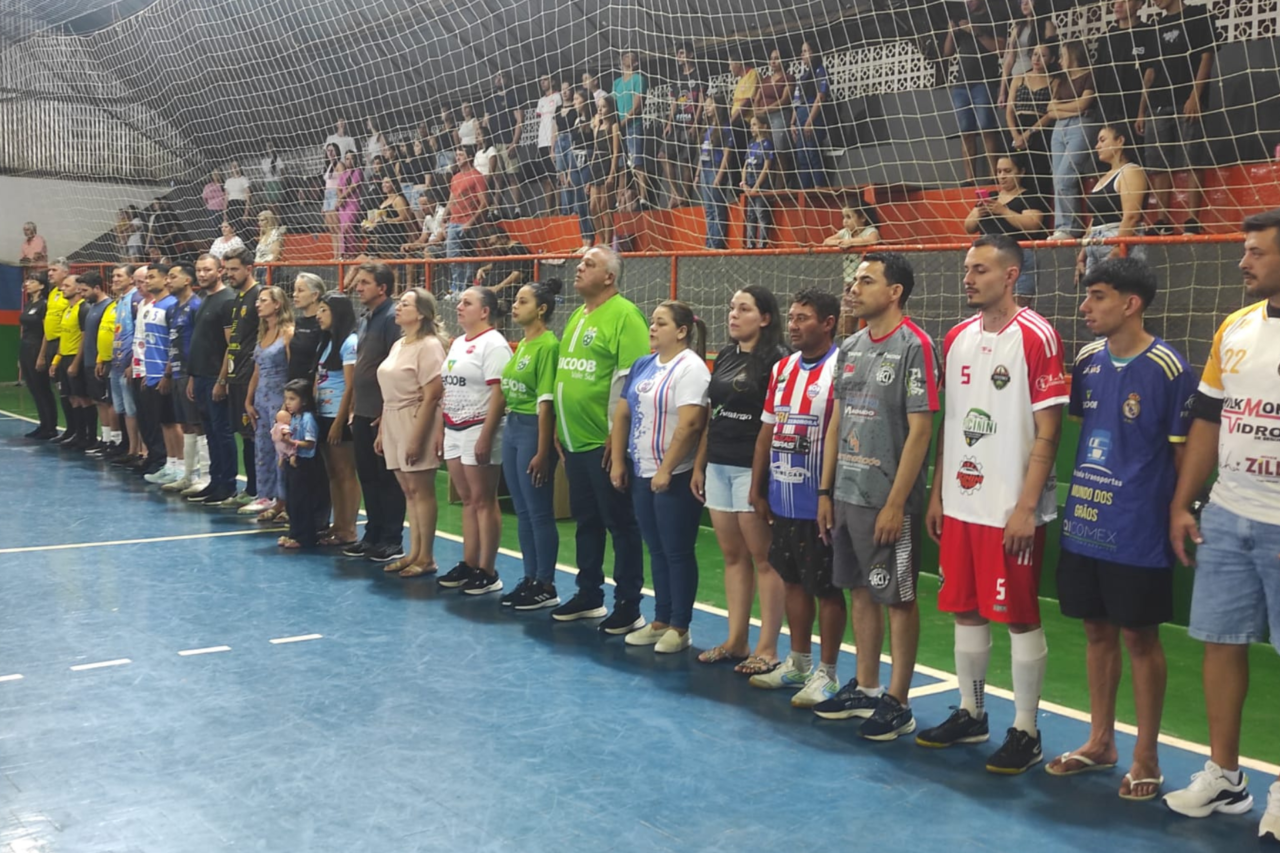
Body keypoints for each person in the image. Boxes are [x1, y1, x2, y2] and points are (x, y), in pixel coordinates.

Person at [1040, 257, 1193, 800]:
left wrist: (1176, 511)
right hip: (1086, 520)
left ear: (1131, 303)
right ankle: (1099, 741)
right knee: (1096, 630)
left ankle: (1145, 755)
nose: (1086, 307)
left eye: (1098, 296)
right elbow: (1091, 431)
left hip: (1139, 528)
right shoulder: (1087, 361)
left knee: (1139, 636)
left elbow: (1182, 456)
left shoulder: (1170, 368)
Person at [917, 233, 1067, 775]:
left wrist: (1027, 508)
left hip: (1009, 509)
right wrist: (937, 493)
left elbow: (1048, 432)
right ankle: (971, 711)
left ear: (1010, 275)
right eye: (966, 268)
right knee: (964, 607)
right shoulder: (956, 337)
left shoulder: (1037, 335)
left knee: (1020, 618)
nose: (968, 277)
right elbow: (949, 425)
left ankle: (1026, 729)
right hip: (960, 504)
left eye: (980, 269)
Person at [1164, 210, 1280, 835]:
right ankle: (1226, 776)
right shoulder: (1234, 327)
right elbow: (1208, 420)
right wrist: (1185, 502)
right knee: (1220, 643)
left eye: (1257, 252)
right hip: (1230, 513)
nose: (1243, 262)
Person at [814, 253, 941, 741]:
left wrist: (896, 503)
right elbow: (838, 422)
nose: (854, 288)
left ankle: (899, 701)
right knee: (860, 590)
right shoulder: (850, 347)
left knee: (898, 596)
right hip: (847, 492)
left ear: (895, 292)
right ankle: (866, 687)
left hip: (889, 500)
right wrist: (826, 490)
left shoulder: (917, 346)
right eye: (853, 280)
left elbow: (921, 430)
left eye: (866, 280)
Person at [745, 289, 844, 707]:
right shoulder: (783, 367)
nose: (794, 324)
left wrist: (827, 492)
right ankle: (799, 662)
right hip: (782, 495)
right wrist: (757, 484)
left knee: (826, 587)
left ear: (828, 323)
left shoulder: (841, 366)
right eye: (792, 317)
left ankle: (829, 672)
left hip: (818, 500)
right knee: (791, 578)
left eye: (804, 318)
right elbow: (768, 428)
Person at [550, 246, 650, 631]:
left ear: (609, 276)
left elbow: (631, 381)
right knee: (586, 521)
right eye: (579, 262)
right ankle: (589, 593)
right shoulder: (577, 314)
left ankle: (628, 603)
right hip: (575, 442)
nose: (578, 267)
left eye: (589, 264)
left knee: (620, 523)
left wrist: (616, 435)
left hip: (604, 443)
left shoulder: (626, 316)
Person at [691, 286, 788, 672]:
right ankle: (736, 641)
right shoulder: (728, 355)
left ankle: (768, 648)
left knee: (764, 559)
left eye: (743, 309)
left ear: (764, 318)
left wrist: (762, 480)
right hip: (720, 463)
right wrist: (701, 464)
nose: (733, 315)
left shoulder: (779, 360)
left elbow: (777, 423)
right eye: (732, 308)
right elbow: (714, 413)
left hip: (753, 469)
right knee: (733, 557)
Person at [611, 301, 711, 652]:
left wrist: (667, 469)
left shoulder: (692, 368)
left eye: (661, 323)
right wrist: (620, 462)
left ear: (682, 331)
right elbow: (623, 413)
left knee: (677, 550)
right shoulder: (643, 364)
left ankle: (681, 627)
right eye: (652, 322)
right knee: (655, 548)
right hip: (642, 471)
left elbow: (691, 423)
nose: (652, 328)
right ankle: (661, 618)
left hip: (675, 475)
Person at [435, 287, 511, 594]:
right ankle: (468, 563)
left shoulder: (494, 344)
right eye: (459, 301)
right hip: (453, 425)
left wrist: (486, 435)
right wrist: (441, 427)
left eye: (467, 303)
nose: (459, 306)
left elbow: (499, 393)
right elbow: (448, 387)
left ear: (485, 311)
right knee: (467, 499)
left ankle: (488, 570)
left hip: (478, 427)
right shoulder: (456, 343)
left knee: (483, 499)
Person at [371, 287, 446, 575]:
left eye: (405, 304)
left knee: (421, 489)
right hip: (393, 419)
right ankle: (414, 551)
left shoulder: (429, 346)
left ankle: (426, 556)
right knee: (408, 491)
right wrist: (382, 430)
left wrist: (417, 437)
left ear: (422, 313)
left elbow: (432, 394)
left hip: (416, 419)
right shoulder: (400, 344)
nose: (398, 308)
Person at [498, 280, 563, 609]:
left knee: (538, 511)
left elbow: (546, 402)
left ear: (541, 309)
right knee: (522, 511)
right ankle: (529, 577)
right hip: (512, 427)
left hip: (532, 430)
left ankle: (546, 584)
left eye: (522, 301)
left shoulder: (548, 346)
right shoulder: (523, 344)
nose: (515, 305)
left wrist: (541, 451)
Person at [344, 262, 407, 563]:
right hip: (364, 410)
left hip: (383, 412)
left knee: (387, 479)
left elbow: (396, 367)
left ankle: (392, 540)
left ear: (382, 288)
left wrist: (386, 411)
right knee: (367, 475)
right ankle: (372, 534)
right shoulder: (366, 317)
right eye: (358, 282)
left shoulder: (392, 319)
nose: (358, 287)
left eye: (365, 283)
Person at [1138, 0, 1218, 234]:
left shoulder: (1198, 14)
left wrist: (1195, 95)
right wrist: (1141, 109)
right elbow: (1150, 71)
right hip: (1159, 104)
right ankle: (1162, 221)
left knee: (1192, 158)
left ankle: (1193, 219)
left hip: (1187, 100)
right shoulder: (1155, 26)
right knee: (1158, 163)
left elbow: (1207, 56)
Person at [186, 254, 238, 505]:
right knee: (210, 432)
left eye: (207, 270)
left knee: (222, 431)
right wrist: (193, 377)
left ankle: (227, 484)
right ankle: (215, 480)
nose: (202, 274)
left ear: (220, 271)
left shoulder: (227, 301)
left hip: (215, 378)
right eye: (198, 270)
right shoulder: (205, 300)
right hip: (202, 376)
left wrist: (222, 380)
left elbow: (231, 346)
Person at [964, 153, 1046, 304]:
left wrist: (1003, 211)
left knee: (1017, 306)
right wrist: (978, 212)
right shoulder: (991, 197)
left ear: (1021, 172)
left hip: (1019, 255)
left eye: (1008, 171)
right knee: (988, 303)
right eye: (999, 171)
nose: (1002, 176)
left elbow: (1033, 225)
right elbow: (968, 227)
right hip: (987, 258)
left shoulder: (1030, 197)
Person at [243, 286, 294, 522]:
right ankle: (268, 496)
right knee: (262, 447)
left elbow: (293, 369)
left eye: (263, 300)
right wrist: (249, 398)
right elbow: (256, 369)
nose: (257, 304)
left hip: (279, 398)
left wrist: (288, 404)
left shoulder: (288, 333)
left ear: (277, 304)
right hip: (261, 397)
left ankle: (285, 501)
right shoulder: (263, 333)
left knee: (281, 450)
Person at [214, 248, 261, 508]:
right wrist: (223, 378)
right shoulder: (238, 299)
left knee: (254, 435)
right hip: (235, 376)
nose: (229, 274)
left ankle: (258, 490)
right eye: (227, 269)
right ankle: (251, 488)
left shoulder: (259, 297)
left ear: (248, 268)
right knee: (244, 435)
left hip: (250, 378)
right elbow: (232, 343)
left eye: (234, 269)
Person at [314, 292, 360, 547]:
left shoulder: (349, 342)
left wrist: (339, 421)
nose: (319, 315)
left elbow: (351, 386)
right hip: (323, 413)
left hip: (337, 416)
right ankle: (338, 524)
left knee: (345, 472)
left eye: (324, 310)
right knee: (333, 473)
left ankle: (349, 529)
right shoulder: (328, 341)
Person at [943, 0, 1005, 185]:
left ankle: (995, 176)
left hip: (984, 82)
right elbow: (947, 53)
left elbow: (1000, 49)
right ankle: (970, 179)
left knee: (987, 129)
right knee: (966, 132)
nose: (968, 2)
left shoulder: (995, 15)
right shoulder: (963, 17)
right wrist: (951, 32)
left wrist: (975, 31)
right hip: (962, 85)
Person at [1075, 124, 1148, 277]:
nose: (1097, 146)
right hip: (1094, 245)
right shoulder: (1104, 177)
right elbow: (1095, 219)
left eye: (1102, 140)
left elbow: (1132, 216)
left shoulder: (1131, 171)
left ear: (1120, 141)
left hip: (1116, 241)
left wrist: (1118, 247)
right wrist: (1083, 253)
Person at [159, 263, 207, 493]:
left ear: (187, 280)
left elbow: (200, 344)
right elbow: (173, 343)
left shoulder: (197, 306)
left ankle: (205, 476)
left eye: (172, 277)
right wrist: (168, 372)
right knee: (186, 424)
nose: (168, 281)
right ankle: (189, 474)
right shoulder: (172, 310)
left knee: (199, 424)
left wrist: (194, 375)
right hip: (177, 372)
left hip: (191, 373)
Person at [1047, 41, 1097, 240]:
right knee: (1057, 177)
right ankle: (1063, 226)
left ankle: (1069, 227)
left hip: (1082, 124)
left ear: (1073, 55)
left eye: (1063, 55)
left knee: (1066, 176)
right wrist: (1073, 107)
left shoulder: (1089, 75)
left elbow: (1085, 103)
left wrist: (1065, 108)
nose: (1060, 60)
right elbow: (1050, 109)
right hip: (1060, 128)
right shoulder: (1062, 80)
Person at [138, 265, 181, 481]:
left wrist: (167, 374)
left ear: (165, 280)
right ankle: (170, 464)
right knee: (164, 422)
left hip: (168, 376)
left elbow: (174, 344)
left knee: (174, 422)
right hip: (153, 374)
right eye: (146, 277)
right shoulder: (153, 305)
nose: (147, 281)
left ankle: (181, 467)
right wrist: (149, 371)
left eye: (152, 277)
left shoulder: (171, 306)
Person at [1092, 0, 1148, 164]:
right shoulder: (1106, 38)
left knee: (1133, 161)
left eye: (1125, 1)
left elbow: (1151, 75)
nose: (1118, 5)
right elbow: (1099, 77)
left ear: (1139, 4)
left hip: (1133, 112)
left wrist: (1142, 112)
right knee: (1105, 164)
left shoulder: (1148, 32)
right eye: (1115, 1)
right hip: (1106, 112)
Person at [1005, 41, 1055, 202]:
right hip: (1017, 128)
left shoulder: (1054, 81)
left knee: (1038, 173)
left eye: (1043, 55)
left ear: (1052, 59)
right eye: (1034, 54)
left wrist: (1028, 133)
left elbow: (1050, 113)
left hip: (1039, 130)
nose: (1037, 59)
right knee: (1015, 170)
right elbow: (1009, 111)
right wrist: (1016, 135)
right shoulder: (1019, 78)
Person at [277, 379, 323, 550]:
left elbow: (310, 443)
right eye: (286, 398)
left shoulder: (307, 419)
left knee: (302, 501)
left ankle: (305, 537)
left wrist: (292, 442)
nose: (288, 403)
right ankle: (294, 533)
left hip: (305, 463)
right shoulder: (294, 418)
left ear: (303, 400)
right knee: (292, 501)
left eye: (292, 399)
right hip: (293, 461)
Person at [107, 264, 145, 466]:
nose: (114, 279)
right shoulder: (120, 301)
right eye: (113, 276)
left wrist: (132, 361)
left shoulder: (135, 300)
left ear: (131, 279)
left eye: (119, 276)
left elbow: (139, 334)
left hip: (129, 363)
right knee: (123, 409)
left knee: (133, 409)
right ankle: (130, 448)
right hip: (117, 362)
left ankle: (140, 451)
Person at [662, 44, 703, 207]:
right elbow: (674, 103)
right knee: (663, 155)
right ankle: (675, 193)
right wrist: (669, 123)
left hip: (690, 124)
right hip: (677, 124)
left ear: (690, 55)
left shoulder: (699, 75)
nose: (679, 56)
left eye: (681, 53)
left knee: (686, 160)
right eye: (677, 54)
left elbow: (700, 101)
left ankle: (685, 199)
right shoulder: (675, 77)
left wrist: (696, 124)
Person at [997, 0, 1057, 109]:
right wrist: (1002, 91)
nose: (1024, 4)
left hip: (1035, 81)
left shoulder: (1046, 25)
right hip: (1015, 78)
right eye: (1021, 1)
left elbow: (1051, 52)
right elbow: (1009, 60)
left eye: (1028, 1)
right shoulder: (1018, 27)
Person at [19, 274, 58, 439]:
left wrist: (42, 356)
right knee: (34, 389)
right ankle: (43, 425)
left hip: (37, 348)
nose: (28, 284)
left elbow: (46, 333)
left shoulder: (44, 305)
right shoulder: (29, 304)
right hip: (25, 348)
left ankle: (51, 426)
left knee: (43, 389)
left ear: (41, 286)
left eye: (32, 281)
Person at [445, 146, 488, 295]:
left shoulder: (477, 176)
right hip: (453, 222)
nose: (458, 157)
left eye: (461, 155)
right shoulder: (455, 177)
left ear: (469, 157)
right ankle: (456, 289)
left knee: (469, 257)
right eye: (457, 155)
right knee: (452, 257)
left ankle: (467, 289)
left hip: (468, 223)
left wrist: (471, 222)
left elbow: (484, 203)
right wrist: (446, 214)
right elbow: (452, 199)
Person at [54, 274, 91, 448]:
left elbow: (85, 338)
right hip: (65, 357)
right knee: (72, 398)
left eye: (67, 285)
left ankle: (89, 437)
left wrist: (76, 363)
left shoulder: (83, 309)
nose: (63, 288)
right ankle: (77, 433)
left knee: (83, 398)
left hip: (76, 358)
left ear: (78, 288)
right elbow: (63, 338)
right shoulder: (67, 310)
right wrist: (56, 360)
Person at [35, 260, 69, 440]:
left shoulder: (69, 293)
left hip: (64, 344)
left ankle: (76, 431)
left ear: (65, 272)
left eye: (54, 270)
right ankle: (69, 430)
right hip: (51, 343)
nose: (49, 273)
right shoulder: (54, 292)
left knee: (70, 391)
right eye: (49, 270)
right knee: (60, 388)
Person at [790, 41, 831, 189]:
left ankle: (819, 187)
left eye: (806, 51)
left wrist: (809, 121)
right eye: (802, 51)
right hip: (800, 117)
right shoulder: (802, 78)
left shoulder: (820, 71)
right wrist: (792, 123)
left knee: (813, 153)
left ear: (814, 52)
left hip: (813, 118)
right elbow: (796, 102)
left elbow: (821, 97)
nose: (802, 54)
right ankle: (805, 190)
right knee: (802, 157)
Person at [696, 94, 734, 250]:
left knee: (717, 207)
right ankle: (709, 242)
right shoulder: (707, 129)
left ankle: (717, 243)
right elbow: (702, 153)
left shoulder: (725, 128)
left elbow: (727, 153)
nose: (706, 107)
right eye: (705, 105)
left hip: (715, 167)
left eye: (710, 105)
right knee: (709, 208)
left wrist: (720, 174)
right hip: (705, 169)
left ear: (718, 107)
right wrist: (698, 173)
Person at [482, 72, 523, 215]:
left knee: (512, 176)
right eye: (495, 77)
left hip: (507, 142)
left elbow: (520, 121)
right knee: (497, 177)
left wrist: (514, 142)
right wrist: (484, 143)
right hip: (494, 144)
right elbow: (485, 122)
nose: (497, 79)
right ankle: (496, 209)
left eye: (501, 76)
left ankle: (517, 208)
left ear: (507, 79)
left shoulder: (513, 96)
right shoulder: (490, 99)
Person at [612, 51, 649, 207]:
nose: (625, 57)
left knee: (637, 163)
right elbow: (612, 104)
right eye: (624, 56)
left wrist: (624, 121)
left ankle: (643, 197)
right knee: (621, 165)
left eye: (629, 56)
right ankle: (620, 199)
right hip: (619, 128)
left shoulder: (639, 79)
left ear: (635, 63)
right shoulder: (616, 83)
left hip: (633, 126)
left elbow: (637, 105)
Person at [754, 48, 794, 188]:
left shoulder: (788, 77)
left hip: (778, 115)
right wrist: (756, 110)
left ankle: (781, 184)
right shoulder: (765, 79)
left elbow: (784, 100)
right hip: (763, 118)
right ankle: (768, 184)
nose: (773, 61)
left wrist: (767, 109)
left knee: (779, 151)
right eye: (771, 58)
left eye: (776, 58)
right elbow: (757, 97)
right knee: (766, 151)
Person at [588, 95, 623, 249]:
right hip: (596, 166)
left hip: (607, 164)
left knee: (605, 206)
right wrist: (589, 176)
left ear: (610, 108)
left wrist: (612, 174)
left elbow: (616, 152)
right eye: (599, 107)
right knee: (593, 208)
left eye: (603, 107)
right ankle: (601, 240)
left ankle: (608, 242)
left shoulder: (614, 126)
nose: (600, 110)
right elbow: (595, 150)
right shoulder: (598, 126)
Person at [566, 90, 596, 249]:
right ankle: (583, 241)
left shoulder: (594, 120)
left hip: (587, 160)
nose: (574, 101)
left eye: (577, 99)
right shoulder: (577, 120)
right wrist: (570, 170)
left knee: (587, 203)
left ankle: (590, 240)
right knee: (579, 204)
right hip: (575, 161)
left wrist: (592, 173)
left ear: (585, 101)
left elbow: (597, 145)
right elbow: (572, 146)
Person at [741, 115, 776, 249]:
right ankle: (750, 244)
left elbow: (766, 167)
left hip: (761, 186)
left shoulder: (767, 144)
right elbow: (745, 165)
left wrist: (756, 186)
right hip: (749, 185)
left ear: (764, 126)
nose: (752, 127)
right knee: (750, 215)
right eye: (751, 125)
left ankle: (762, 244)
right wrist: (743, 183)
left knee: (761, 213)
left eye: (755, 124)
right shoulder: (750, 144)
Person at [363, 177, 412, 259]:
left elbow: (405, 218)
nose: (383, 185)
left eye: (387, 183)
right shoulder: (383, 201)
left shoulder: (398, 199)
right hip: (378, 238)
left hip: (392, 238)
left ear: (394, 185)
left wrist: (387, 220)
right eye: (382, 183)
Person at [534, 74, 562, 215]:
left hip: (553, 139)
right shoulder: (541, 101)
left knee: (555, 175)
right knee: (546, 177)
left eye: (545, 80)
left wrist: (554, 141)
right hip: (542, 141)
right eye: (541, 80)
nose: (542, 83)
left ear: (552, 81)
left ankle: (558, 207)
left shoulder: (558, 97)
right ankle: (548, 208)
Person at [337, 151, 363, 258]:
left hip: (352, 203)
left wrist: (342, 198)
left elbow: (353, 187)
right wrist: (340, 198)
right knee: (343, 229)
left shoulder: (358, 171)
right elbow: (338, 188)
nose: (349, 161)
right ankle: (345, 253)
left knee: (349, 226)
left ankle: (353, 252)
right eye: (347, 159)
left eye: (352, 158)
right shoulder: (344, 173)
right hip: (343, 205)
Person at [322, 144, 344, 258]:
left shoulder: (339, 164)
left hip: (335, 194)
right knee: (331, 229)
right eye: (328, 151)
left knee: (336, 227)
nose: (330, 153)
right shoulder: (329, 165)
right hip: (327, 196)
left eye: (332, 150)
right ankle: (335, 255)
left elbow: (343, 182)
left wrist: (340, 198)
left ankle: (340, 253)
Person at [254, 209, 287, 275]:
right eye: (259, 220)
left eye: (262, 220)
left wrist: (269, 272)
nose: (259, 223)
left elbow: (276, 255)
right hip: (258, 267)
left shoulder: (275, 234)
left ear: (269, 221)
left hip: (268, 269)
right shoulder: (263, 236)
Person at [224, 162, 251, 235]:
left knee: (241, 229)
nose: (235, 168)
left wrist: (246, 212)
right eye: (233, 166)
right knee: (231, 228)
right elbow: (226, 197)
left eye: (236, 166)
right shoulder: (228, 181)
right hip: (231, 205)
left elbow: (248, 196)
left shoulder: (244, 179)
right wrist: (225, 212)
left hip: (240, 204)